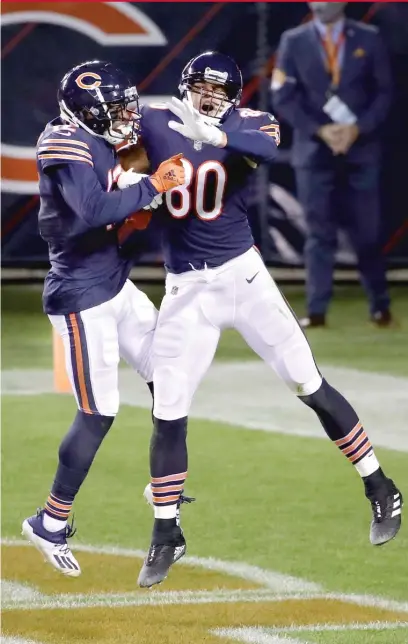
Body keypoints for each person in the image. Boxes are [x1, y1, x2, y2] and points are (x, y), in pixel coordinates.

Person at [120, 51, 402, 589]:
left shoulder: (248, 123)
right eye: (203, 87)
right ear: (186, 86)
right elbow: (121, 162)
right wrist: (134, 178)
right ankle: (165, 531)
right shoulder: (155, 121)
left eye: (221, 91)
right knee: (169, 409)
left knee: (307, 382)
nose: (211, 98)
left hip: (243, 279)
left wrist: (218, 135)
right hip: (186, 289)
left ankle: (380, 486)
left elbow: (269, 148)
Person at [21, 60, 186, 577]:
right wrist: (153, 185)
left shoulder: (106, 133)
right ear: (87, 112)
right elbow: (93, 209)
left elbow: (133, 172)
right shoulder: (62, 143)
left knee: (173, 375)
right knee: (99, 411)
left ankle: (162, 477)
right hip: (81, 294)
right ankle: (49, 521)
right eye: (114, 110)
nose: (124, 117)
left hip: (115, 281)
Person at [271, 2, 393, 328]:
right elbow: (282, 95)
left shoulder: (369, 37)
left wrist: (358, 128)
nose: (322, 4)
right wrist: (320, 130)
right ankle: (317, 311)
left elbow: (384, 93)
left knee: (367, 233)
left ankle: (380, 307)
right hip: (314, 152)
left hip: (361, 150)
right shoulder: (293, 41)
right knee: (318, 235)